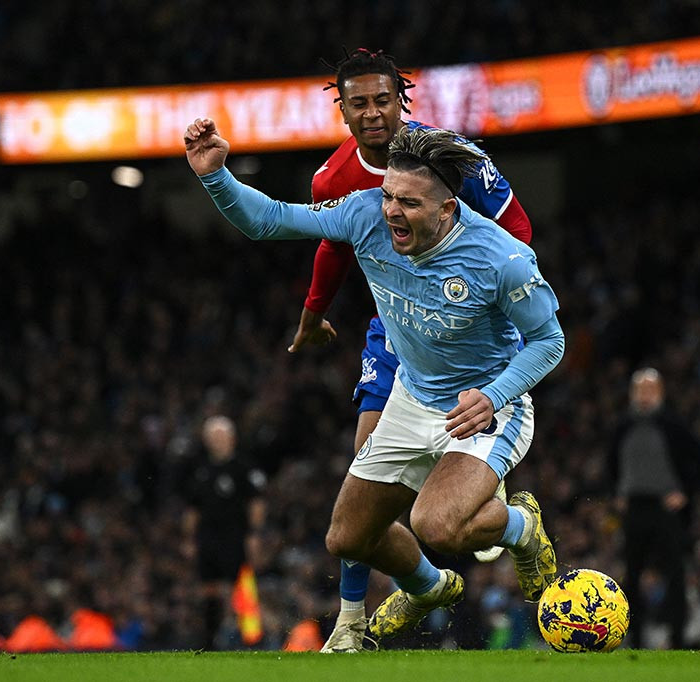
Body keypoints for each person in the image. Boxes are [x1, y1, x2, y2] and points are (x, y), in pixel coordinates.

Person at [185, 119, 562, 650]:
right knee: (347, 538)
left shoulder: (502, 259)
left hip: (484, 409)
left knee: (437, 526)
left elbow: (549, 342)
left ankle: (521, 528)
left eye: (408, 203)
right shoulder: (364, 214)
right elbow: (268, 220)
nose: (391, 211)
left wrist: (494, 395)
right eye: (388, 195)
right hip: (411, 399)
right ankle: (429, 587)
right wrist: (215, 176)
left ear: (447, 210)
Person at [287, 47, 534, 652]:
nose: (372, 113)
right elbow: (334, 248)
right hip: (395, 324)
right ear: (341, 109)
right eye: (358, 103)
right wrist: (313, 314)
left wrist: (481, 309)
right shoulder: (331, 179)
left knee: (445, 521)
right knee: (363, 463)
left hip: (464, 324)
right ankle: (377, 609)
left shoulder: (454, 160)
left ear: (403, 98)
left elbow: (518, 230)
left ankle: (497, 524)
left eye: (382, 99)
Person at [606, 368, 700, 648]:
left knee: (674, 574)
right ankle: (635, 638)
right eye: (640, 390)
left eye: (650, 390)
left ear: (661, 393)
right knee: (632, 573)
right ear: (631, 393)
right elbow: (610, 464)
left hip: (666, 508)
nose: (644, 396)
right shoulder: (623, 426)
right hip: (633, 508)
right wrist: (616, 493)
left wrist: (685, 492)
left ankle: (677, 638)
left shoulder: (672, 425)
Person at [181, 415, 265, 649]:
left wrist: (254, 534)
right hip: (208, 536)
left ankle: (250, 638)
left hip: (235, 535)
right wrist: (189, 539)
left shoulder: (243, 467)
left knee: (241, 585)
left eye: (221, 435)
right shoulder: (200, 470)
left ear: (232, 438)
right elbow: (192, 508)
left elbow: (256, 503)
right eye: (213, 436)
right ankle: (210, 640)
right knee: (209, 587)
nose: (217, 440)